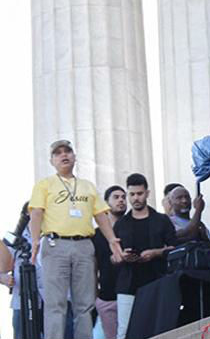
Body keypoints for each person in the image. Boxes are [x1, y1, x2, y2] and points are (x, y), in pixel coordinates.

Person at [28, 140, 123, 339]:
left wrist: (112, 241)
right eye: (58, 153)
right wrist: (35, 241)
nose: (64, 155)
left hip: (83, 246)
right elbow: (36, 212)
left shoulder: (87, 186)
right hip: (56, 245)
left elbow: (101, 215)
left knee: (85, 303)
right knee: (56, 303)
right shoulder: (45, 184)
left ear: (74, 156)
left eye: (68, 151)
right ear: (52, 160)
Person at [113, 173, 176, 339]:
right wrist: (122, 256)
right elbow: (112, 257)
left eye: (139, 194)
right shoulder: (121, 224)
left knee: (157, 328)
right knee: (124, 331)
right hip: (128, 283)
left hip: (156, 279)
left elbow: (175, 248)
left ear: (147, 193)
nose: (135, 198)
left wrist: (156, 252)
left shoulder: (161, 220)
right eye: (132, 194)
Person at [1, 202, 44, 339]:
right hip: (21, 301)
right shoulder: (13, 238)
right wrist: (3, 278)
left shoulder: (55, 235)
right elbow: (2, 267)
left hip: (52, 301)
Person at [93, 186, 127, 339]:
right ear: (106, 203)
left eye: (123, 197)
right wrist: (95, 298)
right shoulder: (95, 235)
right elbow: (93, 267)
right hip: (107, 296)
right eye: (116, 197)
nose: (121, 200)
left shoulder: (132, 227)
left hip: (132, 293)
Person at [168, 186, 210, 251]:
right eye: (179, 198)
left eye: (187, 197)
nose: (184, 201)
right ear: (170, 203)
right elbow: (190, 234)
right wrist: (198, 210)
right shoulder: (168, 222)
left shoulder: (200, 224)